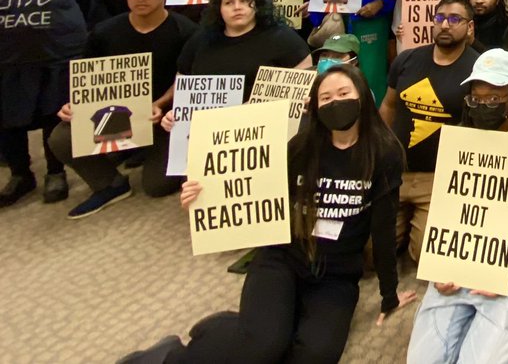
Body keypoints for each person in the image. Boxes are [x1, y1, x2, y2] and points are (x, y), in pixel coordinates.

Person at [143, 64, 411, 363]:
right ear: (315, 106)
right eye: (325, 98)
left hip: (336, 275)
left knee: (316, 355)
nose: (335, 102)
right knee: (263, 346)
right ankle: (171, 354)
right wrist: (201, 197)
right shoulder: (299, 147)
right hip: (282, 259)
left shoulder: (384, 154)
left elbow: (384, 228)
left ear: (363, 97)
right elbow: (251, 189)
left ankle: (233, 326)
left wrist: (390, 295)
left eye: (344, 93)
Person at [406, 49, 508, 364]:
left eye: (492, 99)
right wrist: (441, 262)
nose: (482, 105)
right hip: (463, 259)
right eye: (476, 98)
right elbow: (448, 206)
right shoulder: (459, 136)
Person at [48, 0, 196, 215]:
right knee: (61, 137)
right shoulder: (104, 32)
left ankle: (144, 151)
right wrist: (74, 104)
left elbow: (188, 79)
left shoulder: (186, 31)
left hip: (165, 119)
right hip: (114, 115)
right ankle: (110, 184)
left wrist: (159, 104)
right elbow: (87, 77)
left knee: (158, 185)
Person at [0, 0, 95, 206]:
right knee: (9, 117)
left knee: (54, 114)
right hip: (11, 55)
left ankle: (55, 173)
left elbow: (87, 1)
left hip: (60, 52)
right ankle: (20, 174)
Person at [380, 0, 478, 262]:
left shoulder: (478, 70)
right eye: (440, 18)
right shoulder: (407, 60)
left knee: (425, 255)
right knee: (371, 252)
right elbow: (388, 106)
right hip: (397, 174)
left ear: (469, 27)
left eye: (455, 19)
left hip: (439, 178)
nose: (445, 25)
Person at [163, 0, 312, 115]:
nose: (237, 7)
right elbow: (182, 81)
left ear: (257, 5)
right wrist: (176, 115)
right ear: (218, 9)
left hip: (262, 128)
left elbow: (304, 75)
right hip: (206, 131)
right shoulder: (200, 40)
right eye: (229, 3)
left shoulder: (282, 37)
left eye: (244, 1)